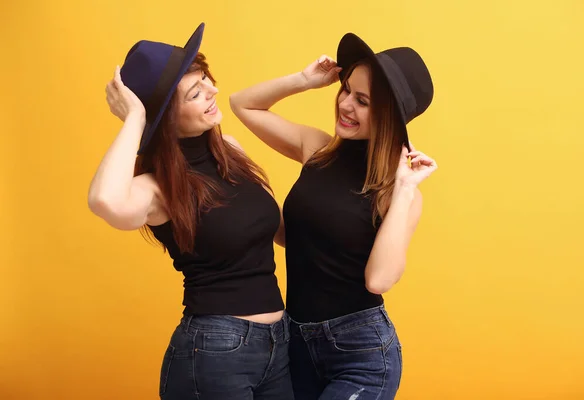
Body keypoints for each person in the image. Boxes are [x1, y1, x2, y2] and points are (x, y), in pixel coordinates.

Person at [87, 23, 294, 400]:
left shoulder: (230, 150)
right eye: (196, 92)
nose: (213, 90)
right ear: (166, 118)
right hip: (215, 351)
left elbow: (283, 234)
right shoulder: (156, 188)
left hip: (279, 345)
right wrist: (136, 118)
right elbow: (105, 201)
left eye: (206, 79)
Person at [229, 32, 437, 399]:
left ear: (389, 116)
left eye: (363, 100)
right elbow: (242, 104)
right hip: (294, 343)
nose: (345, 104)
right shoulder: (317, 150)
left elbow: (379, 280)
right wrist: (303, 81)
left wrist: (405, 189)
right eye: (345, 90)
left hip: (360, 352)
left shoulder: (399, 192)